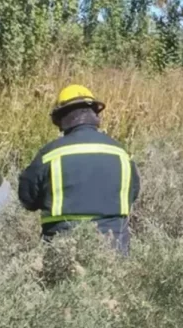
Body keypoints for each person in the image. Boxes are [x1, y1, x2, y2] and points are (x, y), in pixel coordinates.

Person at [17, 84, 140, 254]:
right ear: (95, 115)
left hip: (64, 248)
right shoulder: (121, 153)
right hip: (114, 248)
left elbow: (27, 198)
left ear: (61, 118)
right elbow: (132, 193)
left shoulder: (50, 154)